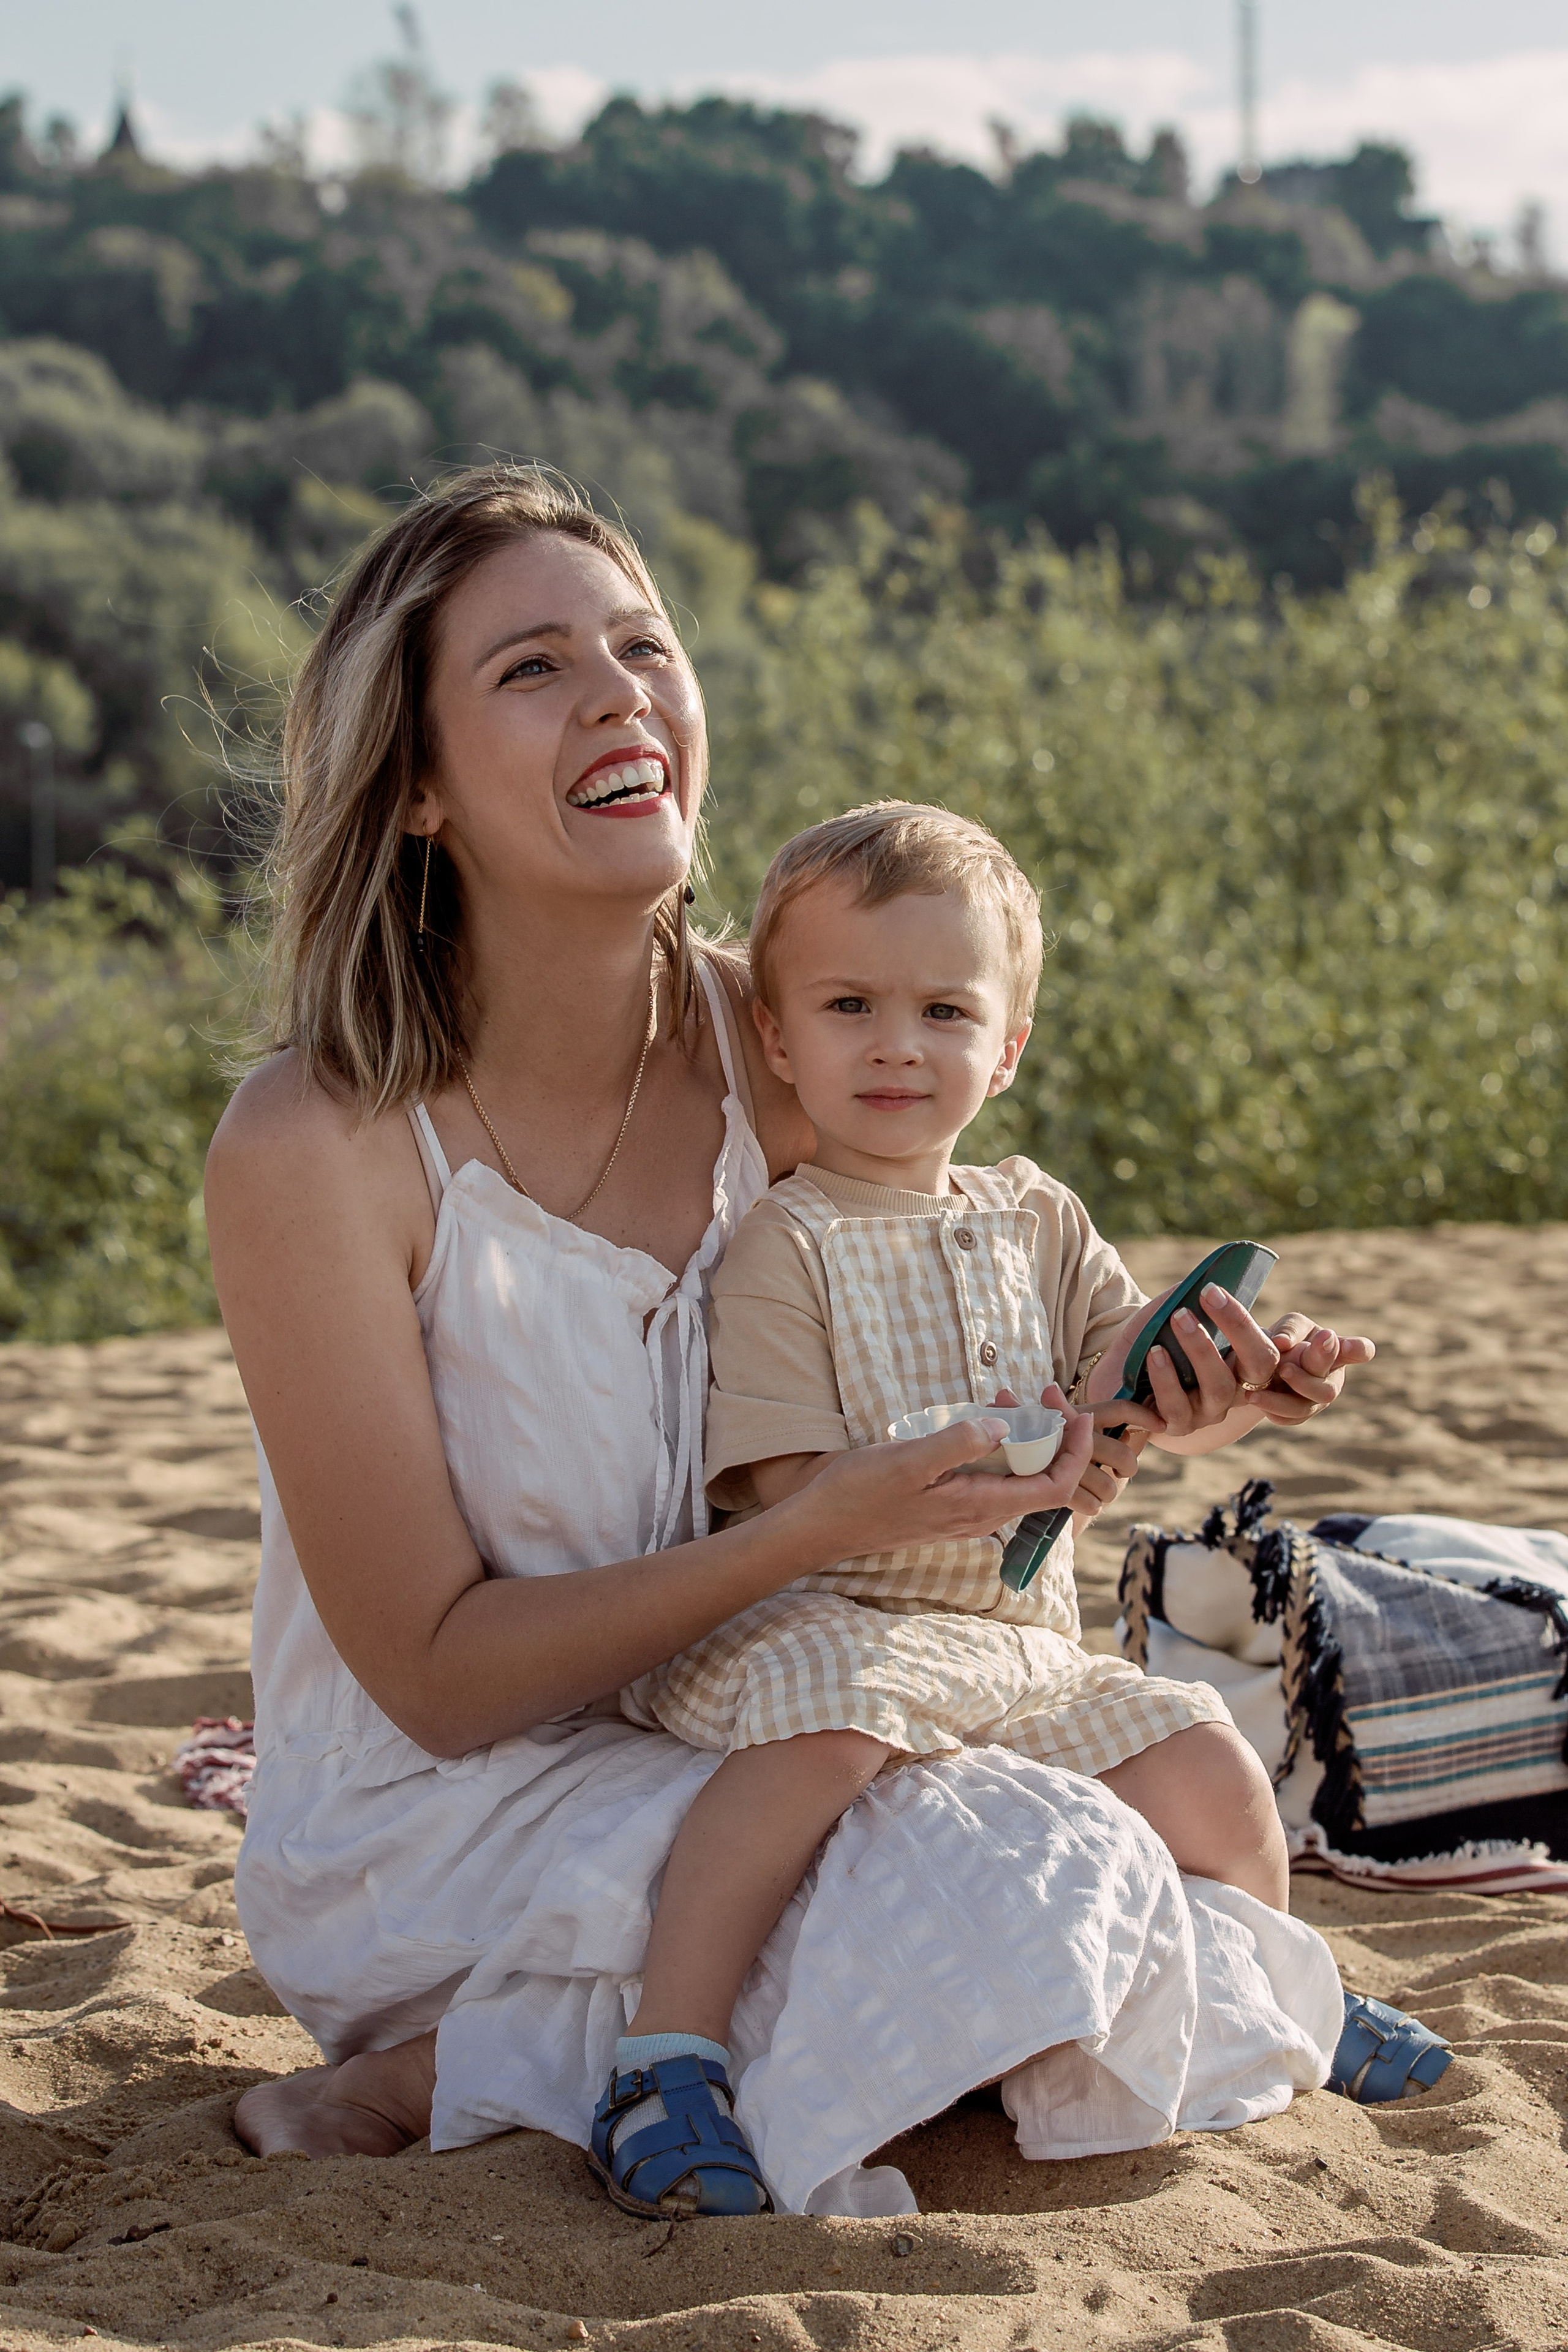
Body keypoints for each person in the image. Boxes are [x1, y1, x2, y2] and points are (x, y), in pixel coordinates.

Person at [205, 463, 1366, 2220]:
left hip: (780, 1728)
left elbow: (990, 1334)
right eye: (533, 670)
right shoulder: (322, 1143)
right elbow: (439, 1680)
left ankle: (595, 2052)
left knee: (1090, 1840)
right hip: (458, 1820)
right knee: (999, 1885)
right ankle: (433, 2060)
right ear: (420, 786)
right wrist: (817, 1530)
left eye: (643, 646)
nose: (618, 693)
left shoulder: (796, 1039)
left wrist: (1155, 1403)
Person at [600, 802, 1367, 2214]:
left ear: (1003, 1048)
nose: (896, 1042)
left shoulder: (1036, 1217)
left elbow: (1121, 1361)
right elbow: (783, 1495)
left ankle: (1267, 1989)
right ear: (776, 1038)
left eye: (943, 1009)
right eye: (848, 1005)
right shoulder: (783, 1243)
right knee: (826, 1730)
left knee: (1203, 1753)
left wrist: (1240, 1370)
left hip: (1015, 1642)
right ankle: (667, 2051)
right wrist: (978, 1470)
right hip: (830, 1616)